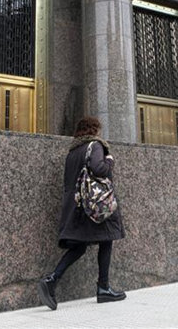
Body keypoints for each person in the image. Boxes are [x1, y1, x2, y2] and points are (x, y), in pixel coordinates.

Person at [37, 116, 126, 310]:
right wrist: (109, 160)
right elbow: (99, 168)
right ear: (94, 130)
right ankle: (103, 288)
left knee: (79, 246)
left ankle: (52, 279)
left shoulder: (73, 151)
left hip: (76, 206)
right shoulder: (95, 145)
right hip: (94, 204)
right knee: (106, 239)